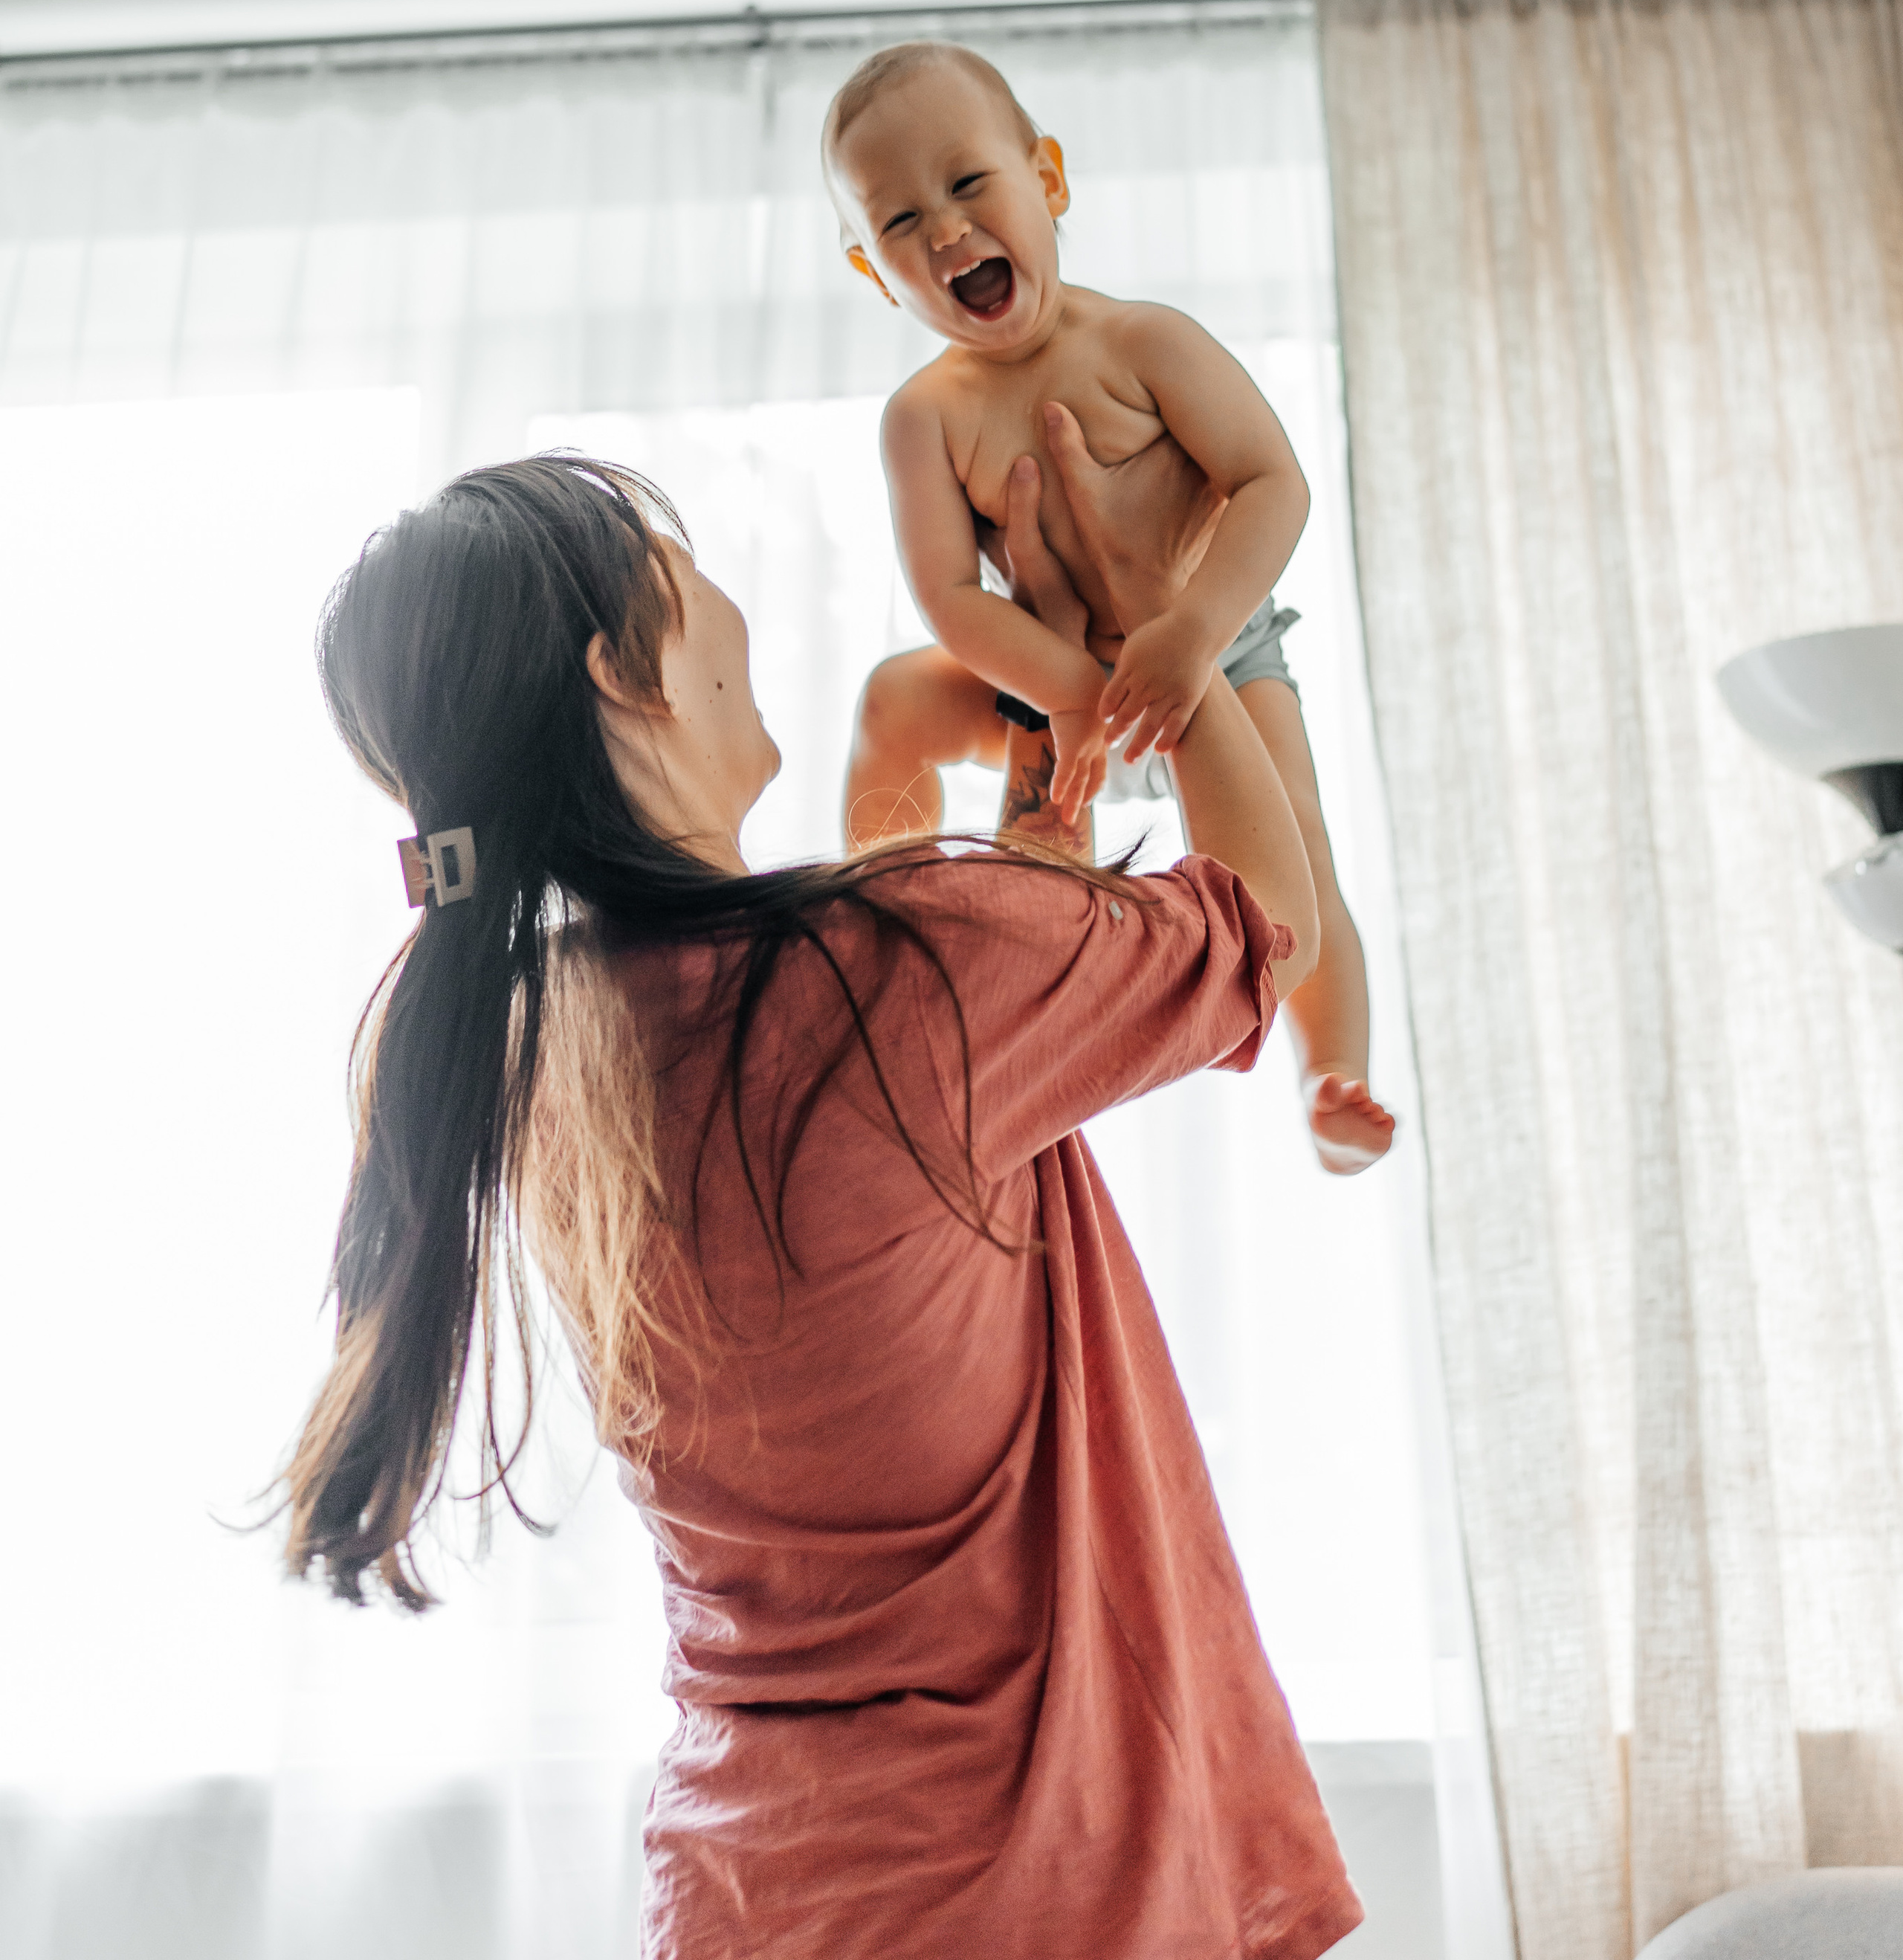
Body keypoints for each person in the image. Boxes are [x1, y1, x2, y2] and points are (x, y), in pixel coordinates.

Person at [280, 448, 1365, 1960]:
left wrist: (1032, 816)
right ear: (627, 666)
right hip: (1027, 1889)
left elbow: (930, 1166)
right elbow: (1271, 926)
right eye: (683, 571)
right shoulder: (894, 973)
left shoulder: (544, 1061)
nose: (722, 607)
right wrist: (1175, 630)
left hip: (764, 1894)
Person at [827, 36, 1394, 1176]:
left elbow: (1272, 482)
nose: (942, 232)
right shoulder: (923, 417)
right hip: (1047, 671)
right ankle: (888, 960)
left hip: (1217, 654)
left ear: (1049, 180)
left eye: (969, 184)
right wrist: (1072, 694)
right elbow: (948, 596)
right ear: (871, 274)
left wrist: (1188, 631)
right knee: (909, 716)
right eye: (899, 224)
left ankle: (1334, 1072)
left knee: (1297, 846)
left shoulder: (1144, 341)